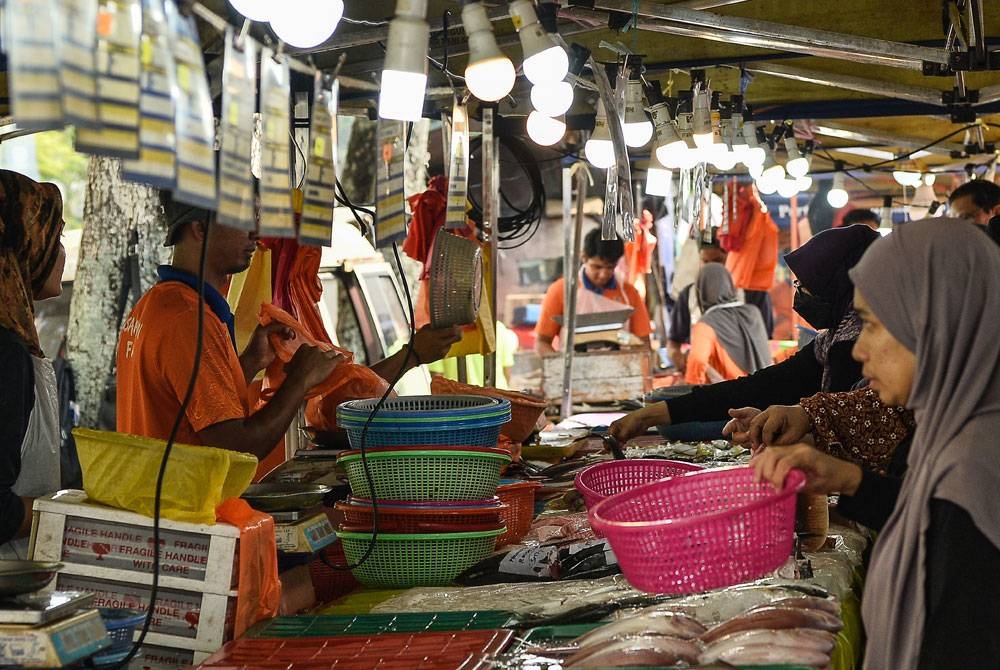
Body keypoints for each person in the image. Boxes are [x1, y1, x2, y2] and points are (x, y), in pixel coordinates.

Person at [752, 218, 1000, 667]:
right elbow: (929, 518)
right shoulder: (956, 430)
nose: (860, 349)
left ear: (933, 323)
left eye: (871, 324)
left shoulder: (974, 470)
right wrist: (847, 479)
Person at [116, 192, 459, 459]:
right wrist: (300, 381)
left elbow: (191, 406)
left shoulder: (160, 305)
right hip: (183, 524)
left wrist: (250, 362)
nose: (255, 231)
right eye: (242, 218)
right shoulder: (187, 319)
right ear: (200, 228)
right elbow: (237, 446)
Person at [609, 224, 879, 443]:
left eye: (807, 285)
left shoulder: (854, 346)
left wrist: (792, 425)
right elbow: (763, 385)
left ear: (838, 285)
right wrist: (653, 414)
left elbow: (847, 433)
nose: (799, 293)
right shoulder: (831, 341)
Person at [0, 171, 67, 553]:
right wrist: (69, 513)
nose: (60, 253)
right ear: (26, 243)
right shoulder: (7, 354)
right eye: (54, 238)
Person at [534, 227, 652, 356]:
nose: (603, 274)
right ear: (584, 257)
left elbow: (644, 344)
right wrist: (558, 366)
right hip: (573, 372)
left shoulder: (629, 293)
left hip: (620, 370)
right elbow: (542, 343)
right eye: (597, 267)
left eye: (610, 267)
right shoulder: (561, 291)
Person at [684, 263, 771, 385]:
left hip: (733, 398)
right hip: (767, 391)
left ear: (700, 292)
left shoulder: (706, 325)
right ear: (730, 285)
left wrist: (693, 391)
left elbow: (697, 361)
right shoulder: (753, 312)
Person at [666, 235, 732, 372]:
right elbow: (673, 343)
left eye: (718, 261)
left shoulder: (747, 293)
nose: (711, 268)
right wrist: (678, 358)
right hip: (702, 373)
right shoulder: (688, 296)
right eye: (705, 261)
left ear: (729, 258)